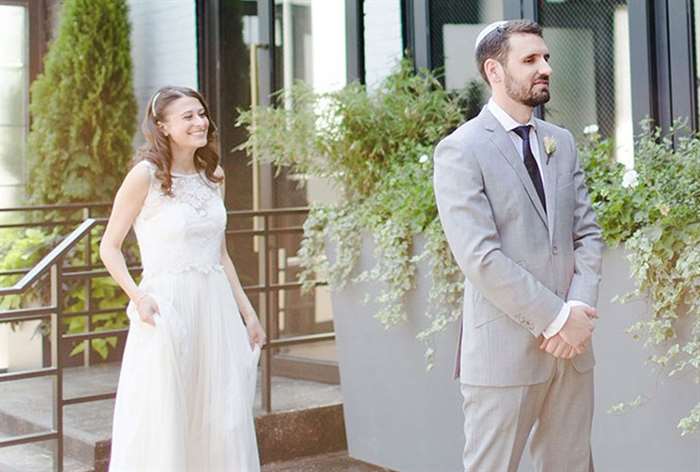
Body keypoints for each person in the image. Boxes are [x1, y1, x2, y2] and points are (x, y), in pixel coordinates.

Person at [433, 20, 603, 471]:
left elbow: (586, 233)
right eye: (530, 60)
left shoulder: (561, 143)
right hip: (503, 356)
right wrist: (555, 318)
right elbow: (480, 257)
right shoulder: (460, 150)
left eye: (546, 58)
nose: (544, 67)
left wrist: (579, 310)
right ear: (494, 70)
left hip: (572, 355)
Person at [100, 86, 266, 471]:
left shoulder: (215, 176)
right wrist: (138, 297)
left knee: (221, 414)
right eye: (188, 116)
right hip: (166, 307)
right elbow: (109, 246)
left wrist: (248, 313)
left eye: (202, 114)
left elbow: (221, 253)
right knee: (165, 413)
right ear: (163, 126)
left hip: (215, 306)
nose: (200, 122)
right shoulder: (145, 176)